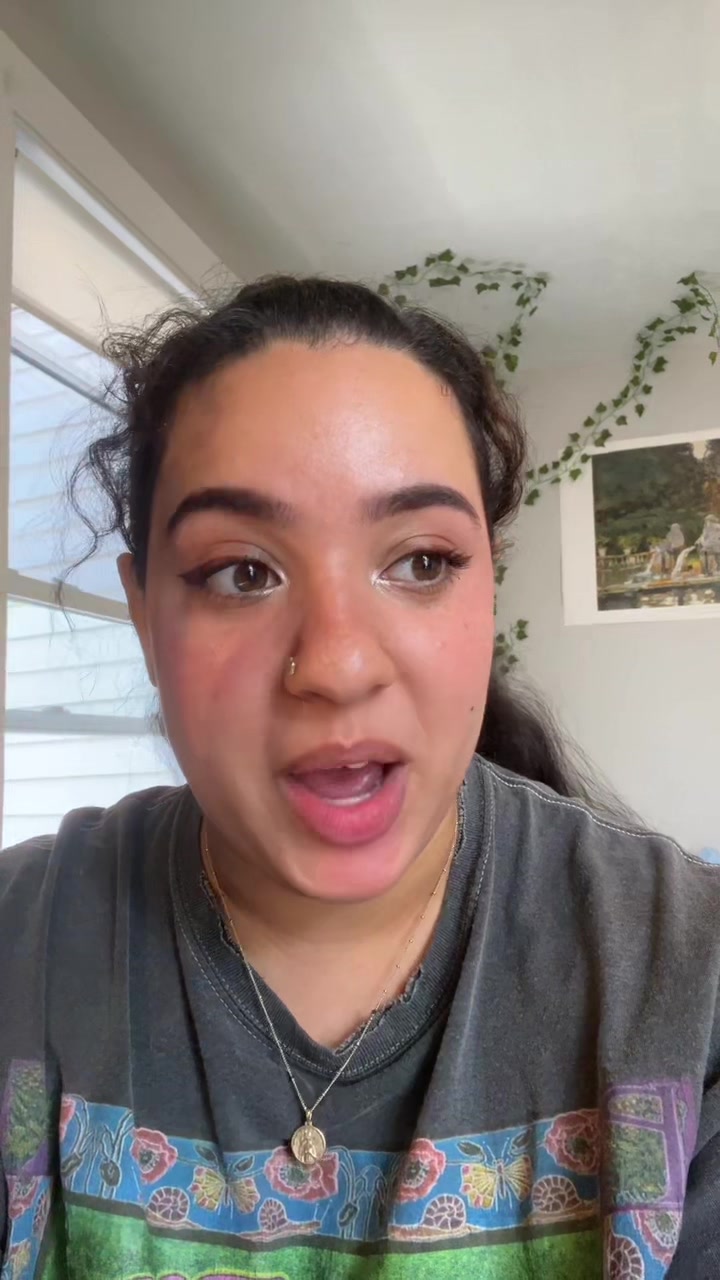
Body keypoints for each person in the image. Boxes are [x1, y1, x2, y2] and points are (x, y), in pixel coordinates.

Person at [0, 276, 717, 1280]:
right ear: (146, 615)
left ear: (489, 589)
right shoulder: (22, 953)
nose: (337, 664)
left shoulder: (688, 981)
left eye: (420, 561)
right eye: (242, 572)